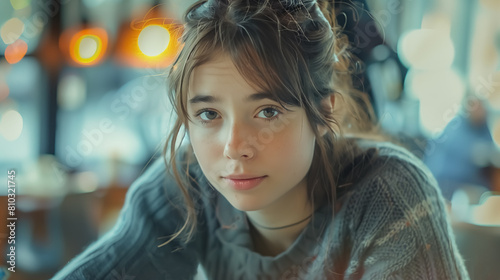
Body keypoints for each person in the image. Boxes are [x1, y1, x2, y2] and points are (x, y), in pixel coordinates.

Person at [52, 0, 469, 279]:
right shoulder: (189, 183)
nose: (235, 147)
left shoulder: (389, 197)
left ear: (325, 110)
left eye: (267, 111)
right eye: (209, 114)